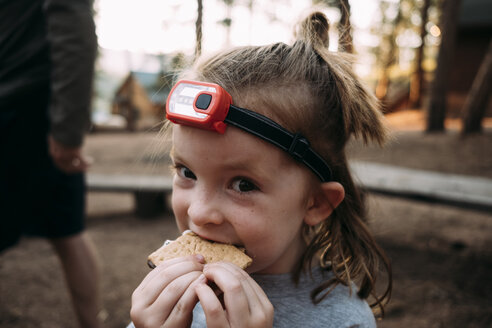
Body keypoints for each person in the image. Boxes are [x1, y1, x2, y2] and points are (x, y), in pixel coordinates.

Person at [129, 11, 392, 328]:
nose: (199, 213)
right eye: (187, 173)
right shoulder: (167, 302)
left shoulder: (344, 321)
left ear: (315, 203)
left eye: (242, 185)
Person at [0, 0, 101, 327]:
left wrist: (67, 129)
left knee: (67, 229)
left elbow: (75, 29)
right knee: (66, 229)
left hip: (25, 111)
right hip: (30, 108)